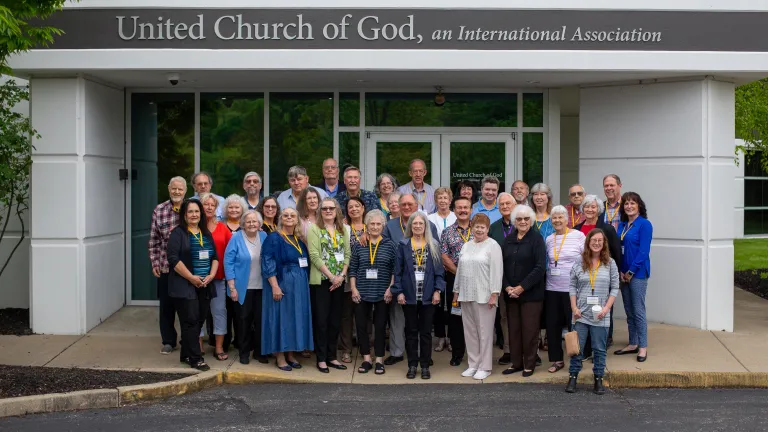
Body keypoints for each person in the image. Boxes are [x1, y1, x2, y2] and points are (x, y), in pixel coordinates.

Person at [382, 193, 440, 366]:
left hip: (423, 284)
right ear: (398, 206)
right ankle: (397, 351)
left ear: (417, 205)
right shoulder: (390, 225)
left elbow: (434, 256)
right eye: (403, 204)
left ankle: (423, 356)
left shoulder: (429, 225)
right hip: (399, 278)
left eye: (410, 204)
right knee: (398, 318)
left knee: (422, 325)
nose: (406, 207)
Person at [391, 212, 445, 380]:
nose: (418, 226)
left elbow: (439, 273)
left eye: (421, 224)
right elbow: (397, 272)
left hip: (428, 296)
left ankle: (425, 365)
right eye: (415, 224)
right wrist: (398, 291)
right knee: (411, 332)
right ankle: (412, 365)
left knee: (426, 332)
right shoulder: (403, 244)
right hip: (409, 296)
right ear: (410, 226)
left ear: (425, 226)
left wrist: (438, 290)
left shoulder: (433, 244)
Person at [565, 229, 620, 395]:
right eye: (593, 240)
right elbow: (572, 286)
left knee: (599, 349)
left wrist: (606, 308)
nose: (596, 243)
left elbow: (615, 287)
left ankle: (598, 379)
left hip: (601, 315)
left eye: (600, 241)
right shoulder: (579, 262)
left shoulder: (610, 263)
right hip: (580, 314)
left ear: (604, 244)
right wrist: (574, 308)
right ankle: (573, 377)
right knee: (577, 348)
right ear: (588, 242)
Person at [166, 198, 218, 371]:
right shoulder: (178, 233)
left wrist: (211, 275)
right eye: (190, 212)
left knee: (199, 320)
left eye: (197, 211)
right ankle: (196, 359)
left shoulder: (205, 233)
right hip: (185, 285)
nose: (194, 215)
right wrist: (191, 278)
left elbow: (215, 257)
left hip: (205, 285)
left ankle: (185, 355)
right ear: (184, 215)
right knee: (190, 321)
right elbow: (173, 259)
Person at [261, 207, 314, 371]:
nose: (289, 218)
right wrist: (275, 286)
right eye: (286, 215)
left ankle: (291, 354)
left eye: (292, 215)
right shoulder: (274, 238)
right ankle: (280, 356)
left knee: (294, 318)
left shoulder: (299, 239)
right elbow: (267, 261)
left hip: (299, 286)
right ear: (280, 218)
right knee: (281, 319)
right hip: (282, 283)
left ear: (297, 219)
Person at [453, 214, 503, 380]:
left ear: (488, 229)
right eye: (476, 226)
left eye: (483, 227)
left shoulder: (493, 245)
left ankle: (485, 366)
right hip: (466, 294)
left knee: (485, 332)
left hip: (485, 295)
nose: (479, 229)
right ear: (472, 228)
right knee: (470, 332)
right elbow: (459, 270)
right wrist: (456, 290)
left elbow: (497, 271)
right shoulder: (466, 246)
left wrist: (494, 294)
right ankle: (473, 364)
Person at [348, 210, 397, 375]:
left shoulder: (390, 245)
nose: (375, 227)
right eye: (372, 224)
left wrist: (391, 288)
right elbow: (353, 269)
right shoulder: (359, 244)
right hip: (361, 291)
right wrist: (353, 288)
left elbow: (394, 269)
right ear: (366, 226)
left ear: (383, 226)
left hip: (383, 292)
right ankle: (367, 358)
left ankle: (379, 359)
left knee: (381, 326)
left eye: (378, 224)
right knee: (362, 326)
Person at [501, 205, 546, 377]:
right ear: (514, 221)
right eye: (519, 219)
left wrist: (521, 288)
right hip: (510, 294)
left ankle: (529, 363)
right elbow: (501, 266)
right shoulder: (509, 239)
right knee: (514, 330)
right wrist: (507, 287)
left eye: (526, 219)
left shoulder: (537, 239)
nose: (523, 222)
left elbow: (540, 267)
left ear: (531, 220)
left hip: (531, 294)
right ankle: (516, 363)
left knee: (529, 330)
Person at [308, 198, 351, 373]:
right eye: (324, 208)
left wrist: (340, 276)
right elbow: (314, 255)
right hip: (322, 282)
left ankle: (332, 356)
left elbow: (347, 254)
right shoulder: (314, 229)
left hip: (339, 282)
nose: (327, 211)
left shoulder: (343, 229)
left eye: (331, 208)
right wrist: (331, 276)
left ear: (336, 210)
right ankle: (321, 358)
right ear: (320, 211)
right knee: (322, 321)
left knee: (335, 321)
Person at [574, 195, 622, 349]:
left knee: (604, 309)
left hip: (602, 276)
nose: (589, 209)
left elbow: (616, 253)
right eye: (587, 206)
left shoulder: (607, 228)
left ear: (599, 209)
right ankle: (587, 346)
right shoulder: (577, 229)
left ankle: (604, 342)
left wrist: (616, 274)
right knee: (585, 311)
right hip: (584, 278)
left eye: (593, 207)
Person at [544, 205, 586, 374]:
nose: (557, 220)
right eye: (554, 218)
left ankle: (576, 358)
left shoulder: (578, 236)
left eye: (560, 217)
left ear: (567, 219)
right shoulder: (549, 239)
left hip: (572, 290)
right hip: (552, 288)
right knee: (552, 325)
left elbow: (586, 260)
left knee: (573, 325)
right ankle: (557, 360)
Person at [224, 210, 269, 364]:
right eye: (248, 221)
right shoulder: (236, 237)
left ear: (259, 224)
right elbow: (228, 262)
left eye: (254, 221)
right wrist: (232, 287)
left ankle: (259, 352)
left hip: (262, 287)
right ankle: (244, 352)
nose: (251, 224)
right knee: (243, 321)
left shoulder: (264, 236)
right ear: (243, 223)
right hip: (242, 288)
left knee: (260, 321)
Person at [149, 176, 186, 355]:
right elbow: (154, 239)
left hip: (187, 268)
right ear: (169, 190)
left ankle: (188, 339)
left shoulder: (191, 209)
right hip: (165, 266)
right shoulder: (160, 210)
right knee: (166, 306)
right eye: (174, 189)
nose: (176, 192)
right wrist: (154, 262)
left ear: (185, 191)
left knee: (187, 306)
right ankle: (169, 341)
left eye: (180, 189)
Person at [614, 192, 653, 363]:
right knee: (629, 310)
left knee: (638, 310)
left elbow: (644, 251)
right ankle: (632, 343)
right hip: (623, 274)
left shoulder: (644, 224)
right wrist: (622, 271)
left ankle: (643, 347)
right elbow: (619, 249)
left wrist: (631, 272)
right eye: (626, 204)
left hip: (637, 274)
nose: (629, 206)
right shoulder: (622, 225)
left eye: (632, 203)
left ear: (639, 206)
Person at [438, 196, 473, 365]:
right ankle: (457, 353)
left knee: (475, 317)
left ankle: (475, 355)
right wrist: (459, 273)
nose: (463, 210)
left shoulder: (479, 229)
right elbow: (444, 255)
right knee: (456, 316)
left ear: (471, 209)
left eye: (466, 207)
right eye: (459, 207)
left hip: (477, 279)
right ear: (454, 210)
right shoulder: (448, 232)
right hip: (454, 279)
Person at [200, 193, 233, 361]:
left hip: (218, 277)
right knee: (197, 312)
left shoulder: (222, 227)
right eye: (206, 204)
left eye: (212, 205)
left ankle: (219, 347)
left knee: (219, 311)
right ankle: (198, 346)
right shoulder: (193, 227)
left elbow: (230, 252)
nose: (209, 207)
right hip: (196, 278)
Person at [339, 196, 368, 364]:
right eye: (351, 207)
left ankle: (367, 347)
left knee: (366, 314)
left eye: (357, 206)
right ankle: (346, 350)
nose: (354, 209)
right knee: (346, 315)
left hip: (368, 277)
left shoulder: (371, 226)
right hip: (348, 275)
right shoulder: (342, 228)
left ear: (363, 208)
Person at [488, 192, 517, 364]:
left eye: (508, 203)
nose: (505, 207)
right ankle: (508, 350)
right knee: (505, 316)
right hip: (501, 278)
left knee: (526, 317)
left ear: (514, 205)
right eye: (502, 204)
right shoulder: (494, 227)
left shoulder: (523, 222)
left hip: (522, 279)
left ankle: (529, 350)